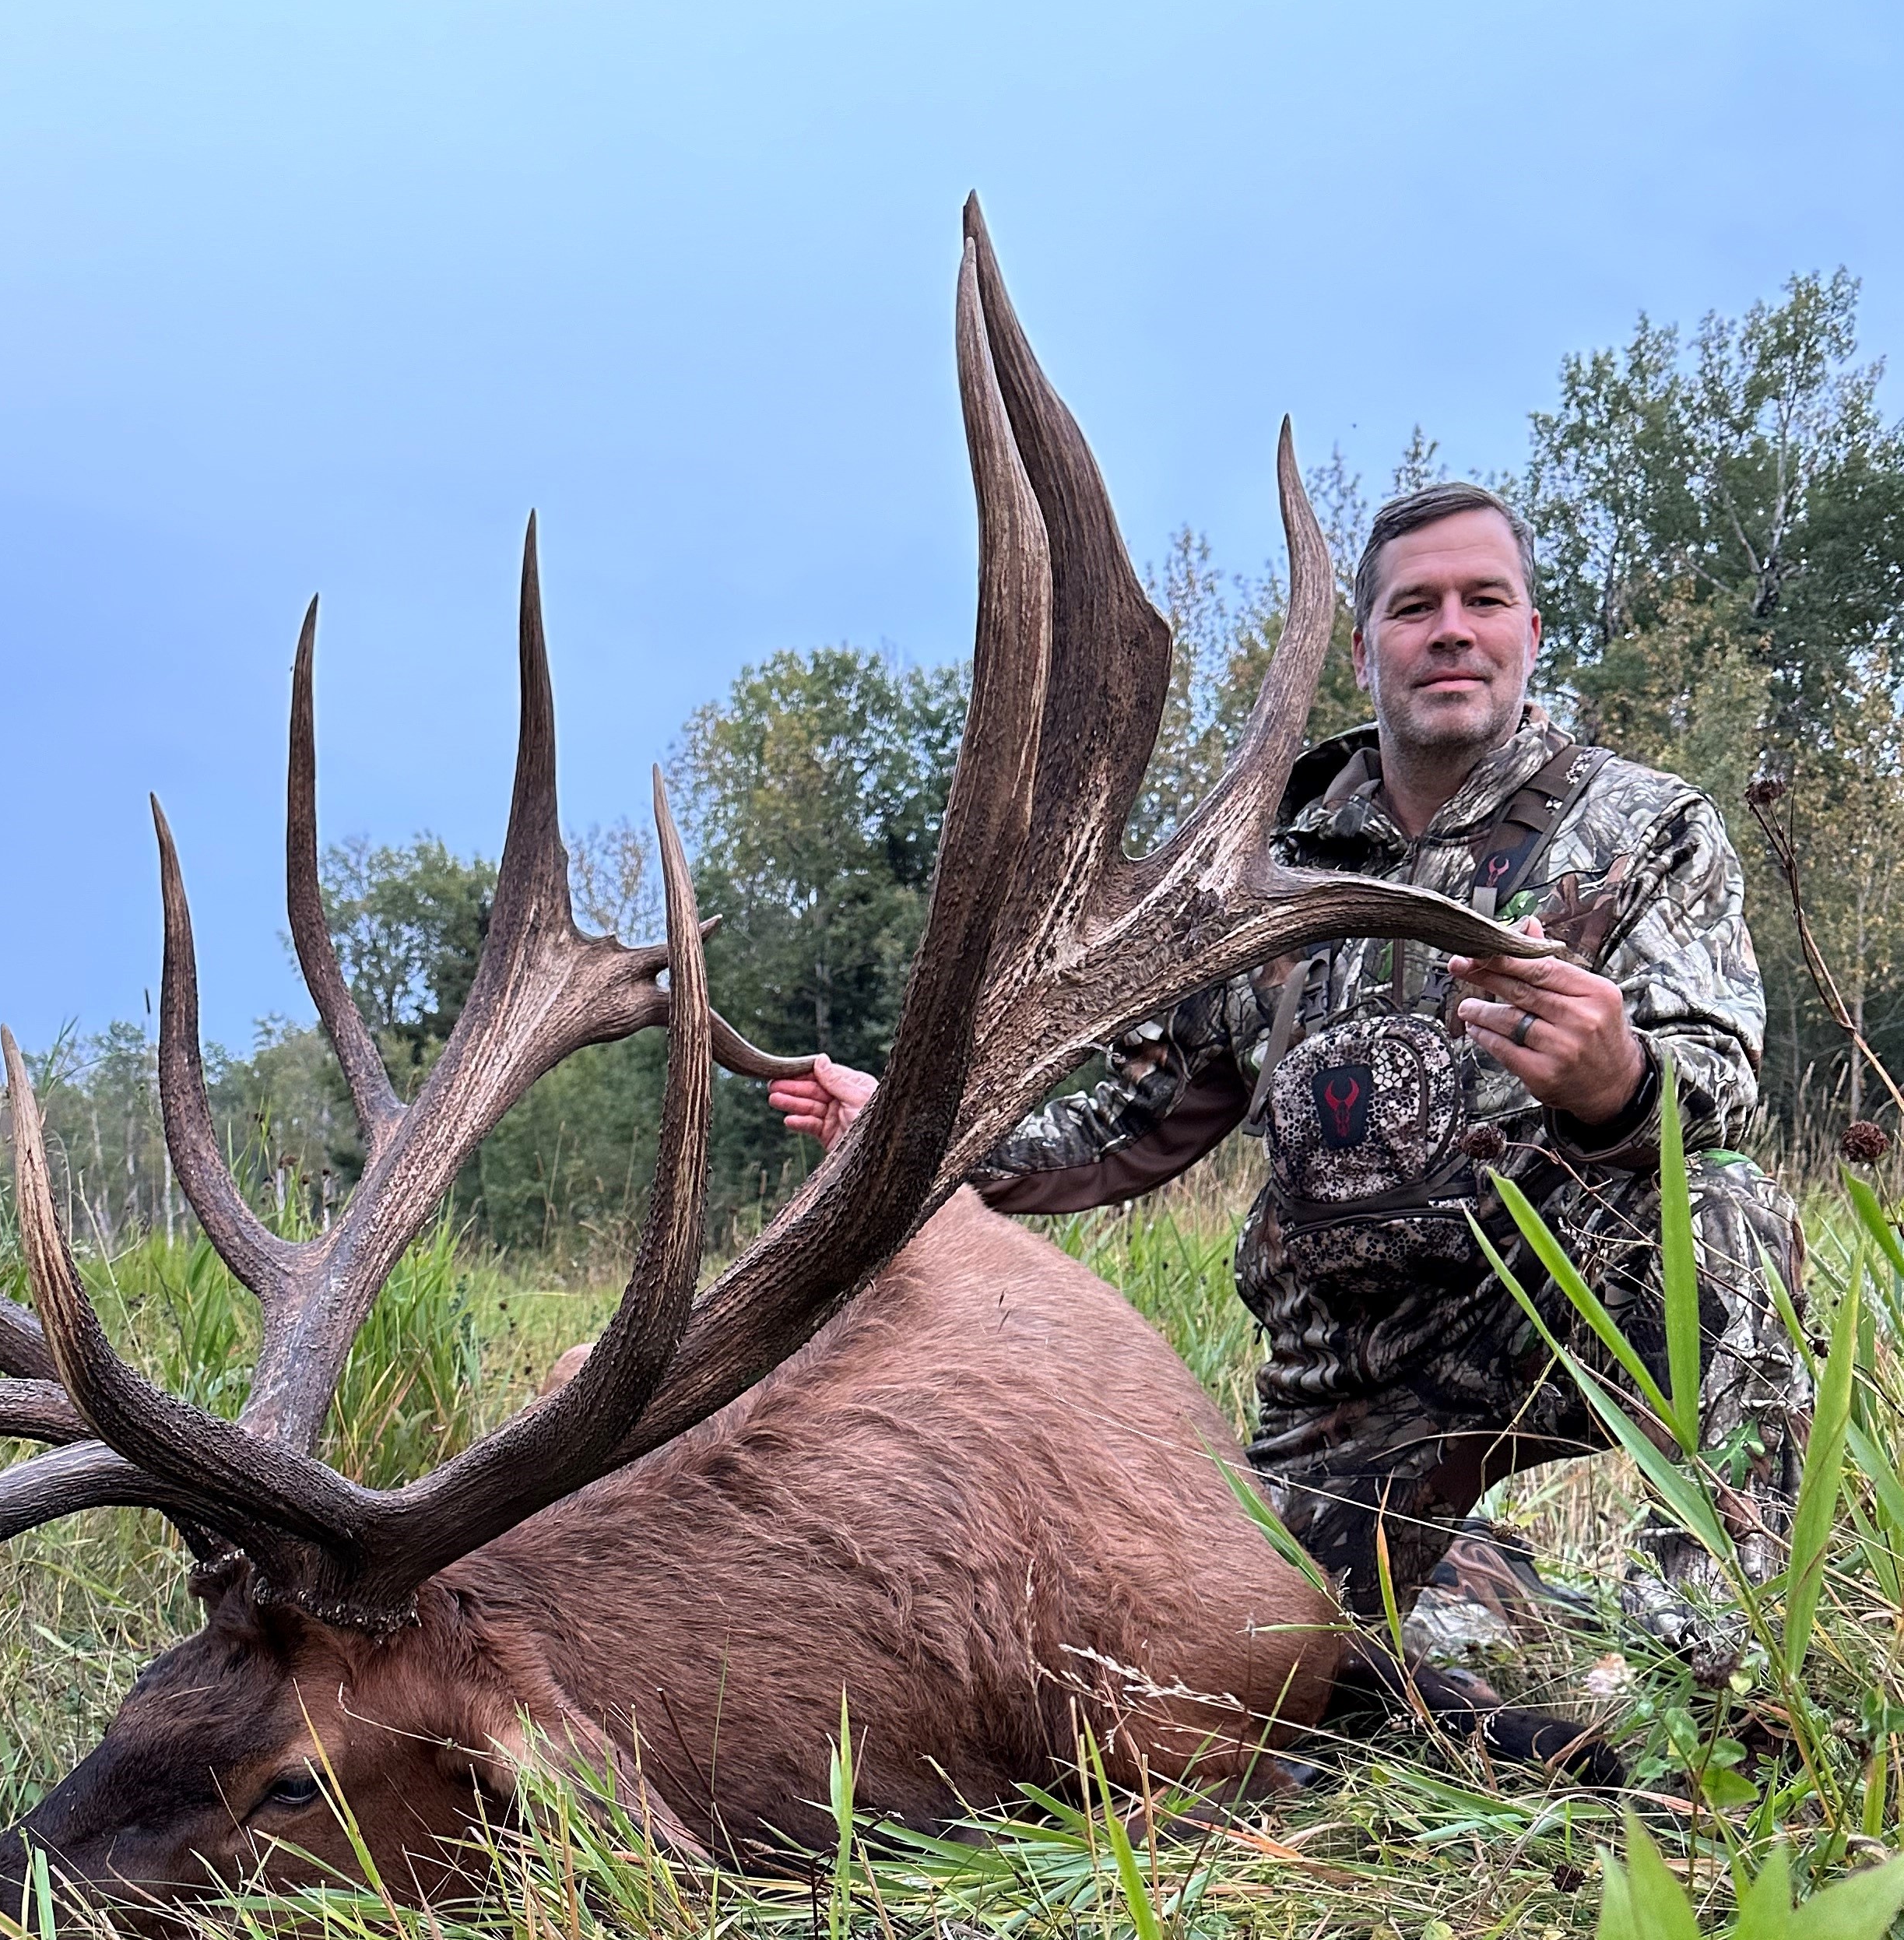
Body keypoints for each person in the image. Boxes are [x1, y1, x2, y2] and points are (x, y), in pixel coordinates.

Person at [771, 481, 1808, 1683]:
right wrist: (911, 1137)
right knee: (1262, 1661)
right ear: (1366, 647)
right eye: (1415, 607)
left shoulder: (1642, 829)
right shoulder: (1262, 870)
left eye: (1486, 600)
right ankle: (1510, 1606)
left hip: (1558, 1292)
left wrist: (1617, 1075)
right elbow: (1129, 1127)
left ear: (1531, 631)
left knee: (1724, 1205)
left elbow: (1720, 1083)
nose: (1452, 630)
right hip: (1348, 1393)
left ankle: (1711, 1652)